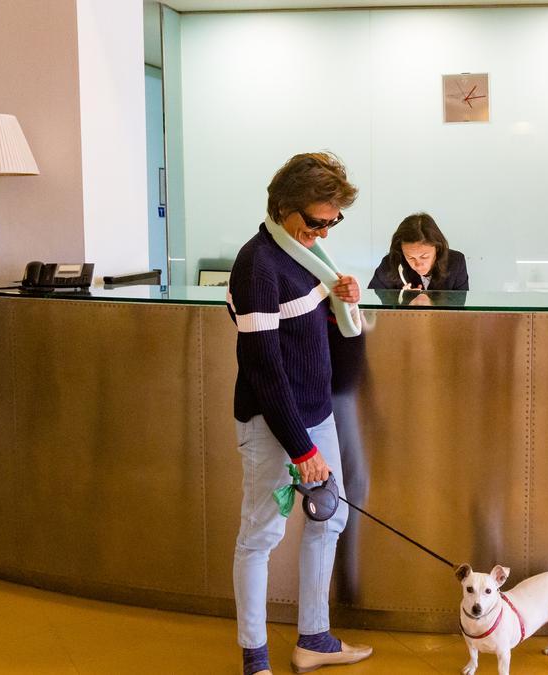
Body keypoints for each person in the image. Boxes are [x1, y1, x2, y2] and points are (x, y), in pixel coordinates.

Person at [227, 152, 372, 675]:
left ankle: (315, 638)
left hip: (317, 415)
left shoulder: (305, 257)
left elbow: (312, 341)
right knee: (261, 536)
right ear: (285, 209)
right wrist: (301, 448)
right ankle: (255, 658)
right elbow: (264, 368)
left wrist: (343, 303)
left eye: (333, 222)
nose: (325, 233)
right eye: (316, 222)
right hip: (274, 424)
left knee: (328, 521)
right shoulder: (258, 265)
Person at [367, 213, 470, 291]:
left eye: (424, 257)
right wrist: (401, 300)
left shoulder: (456, 263)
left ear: (437, 248)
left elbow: (460, 310)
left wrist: (431, 303)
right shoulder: (391, 262)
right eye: (410, 258)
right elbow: (371, 302)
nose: (418, 265)